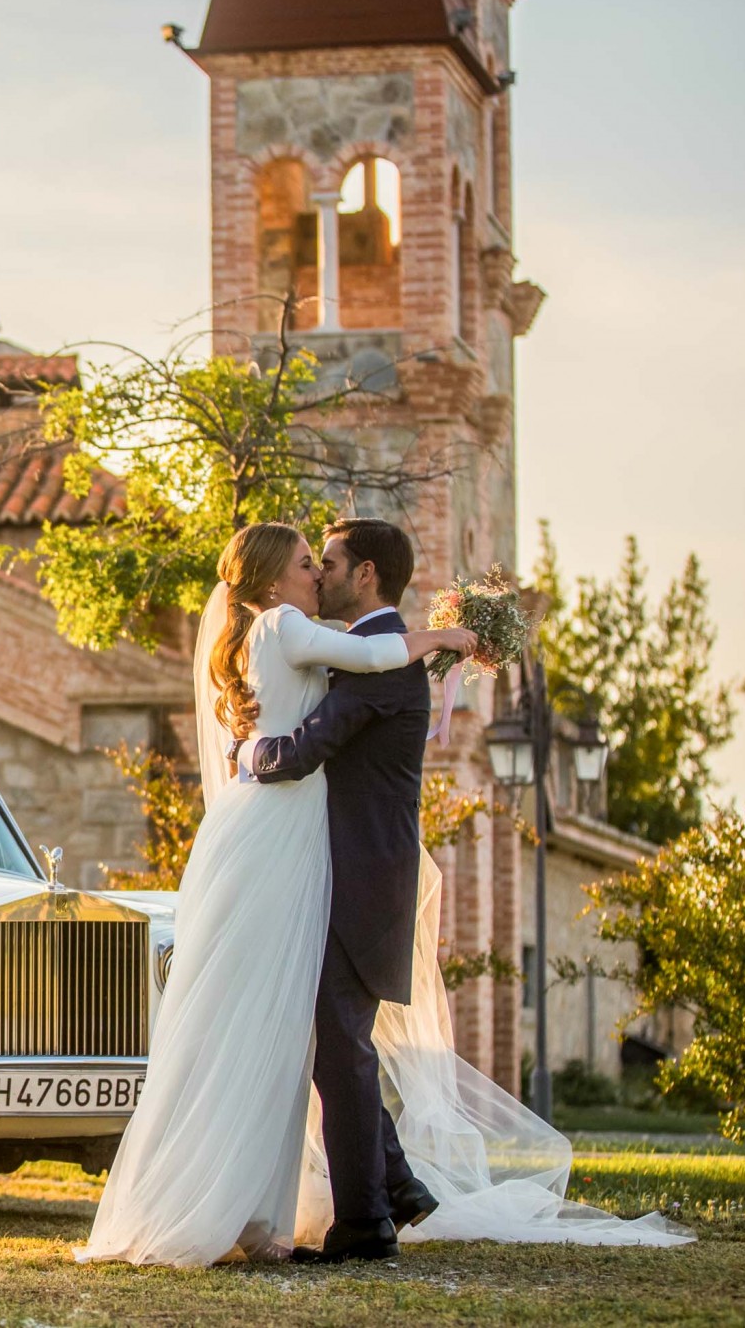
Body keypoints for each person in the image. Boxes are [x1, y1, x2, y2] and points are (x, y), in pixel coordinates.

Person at [76, 522, 476, 1266]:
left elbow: (307, 741)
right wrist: (444, 635)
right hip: (296, 848)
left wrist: (250, 750)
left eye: (323, 563)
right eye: (305, 563)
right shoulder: (295, 628)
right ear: (272, 579)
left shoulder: (337, 643)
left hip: (328, 861)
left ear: (364, 574)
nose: (316, 574)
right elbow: (316, 727)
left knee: (324, 1033)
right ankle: (377, 1193)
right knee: (307, 1026)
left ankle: (373, 1204)